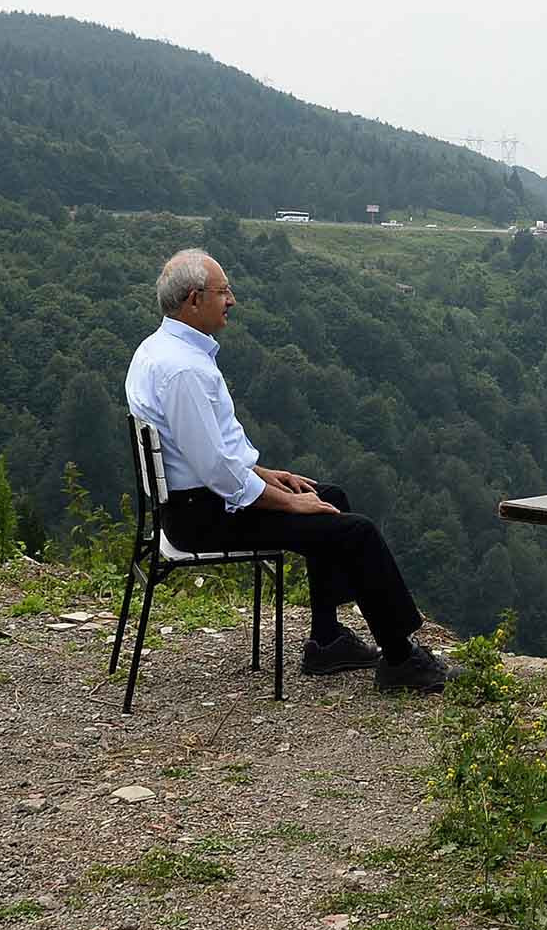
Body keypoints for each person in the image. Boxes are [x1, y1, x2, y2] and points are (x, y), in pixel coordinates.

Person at [124, 247, 449, 694]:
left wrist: (267, 474)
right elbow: (218, 471)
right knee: (355, 531)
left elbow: (211, 455)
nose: (232, 300)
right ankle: (401, 660)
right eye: (224, 292)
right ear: (194, 299)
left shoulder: (159, 350)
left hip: (196, 503)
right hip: (203, 517)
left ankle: (327, 640)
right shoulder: (183, 370)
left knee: (329, 496)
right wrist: (287, 501)